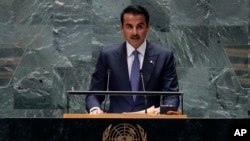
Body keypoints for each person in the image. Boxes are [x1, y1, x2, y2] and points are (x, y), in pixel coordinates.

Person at [85, 5, 179, 114]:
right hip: (116, 126)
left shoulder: (164, 56)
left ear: (148, 27)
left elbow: (172, 96)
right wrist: (95, 109)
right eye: (129, 27)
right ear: (122, 28)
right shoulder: (108, 56)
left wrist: (164, 109)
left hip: (152, 124)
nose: (134, 32)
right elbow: (94, 93)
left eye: (139, 26)